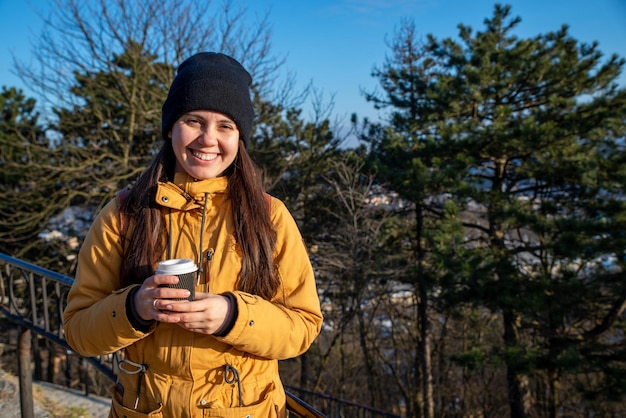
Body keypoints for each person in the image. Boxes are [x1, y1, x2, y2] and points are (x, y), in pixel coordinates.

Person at [63, 52, 323, 417]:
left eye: (225, 126)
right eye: (193, 120)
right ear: (171, 127)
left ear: (240, 137)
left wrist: (233, 316)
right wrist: (134, 308)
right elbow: (78, 330)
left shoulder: (269, 217)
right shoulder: (125, 214)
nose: (208, 139)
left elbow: (303, 325)